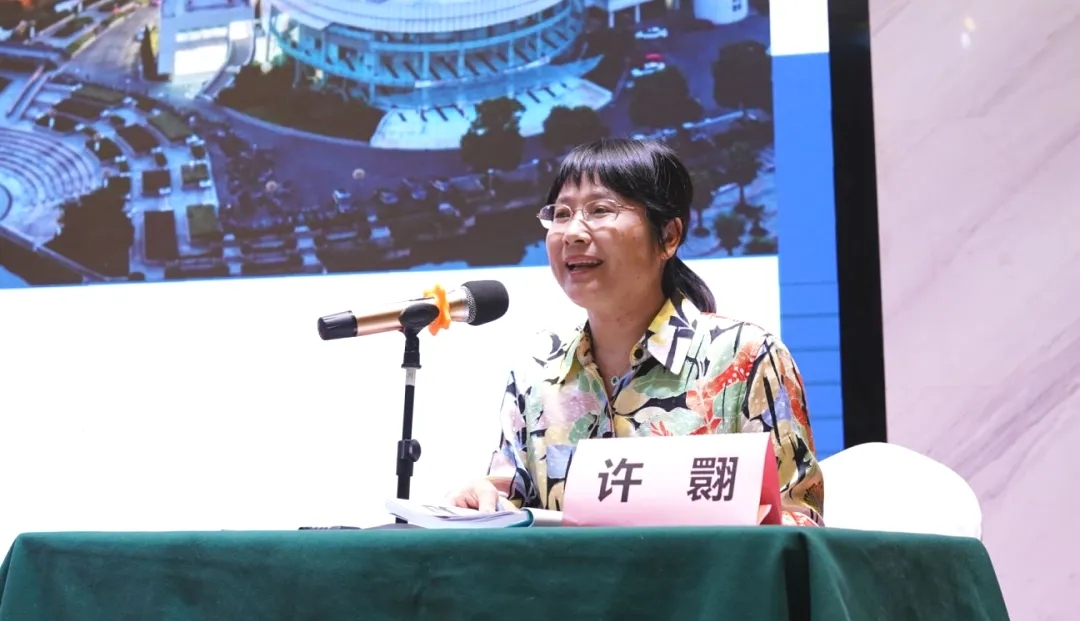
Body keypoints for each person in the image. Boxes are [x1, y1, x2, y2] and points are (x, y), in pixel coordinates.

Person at [447, 137, 824, 527]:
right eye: (561, 213)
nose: (572, 232)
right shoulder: (536, 372)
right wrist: (483, 500)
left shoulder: (746, 358)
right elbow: (510, 503)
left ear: (669, 236)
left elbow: (799, 526)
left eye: (600, 210)